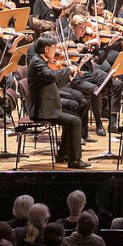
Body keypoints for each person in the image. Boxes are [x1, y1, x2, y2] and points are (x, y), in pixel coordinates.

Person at [26, 34, 91, 169]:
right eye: (54, 48)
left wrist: (70, 72)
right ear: (46, 49)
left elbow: (56, 80)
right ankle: (74, 160)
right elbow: (52, 75)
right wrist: (67, 69)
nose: (56, 51)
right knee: (75, 121)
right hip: (42, 108)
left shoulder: (41, 61)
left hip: (48, 102)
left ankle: (63, 153)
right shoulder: (37, 62)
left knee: (74, 111)